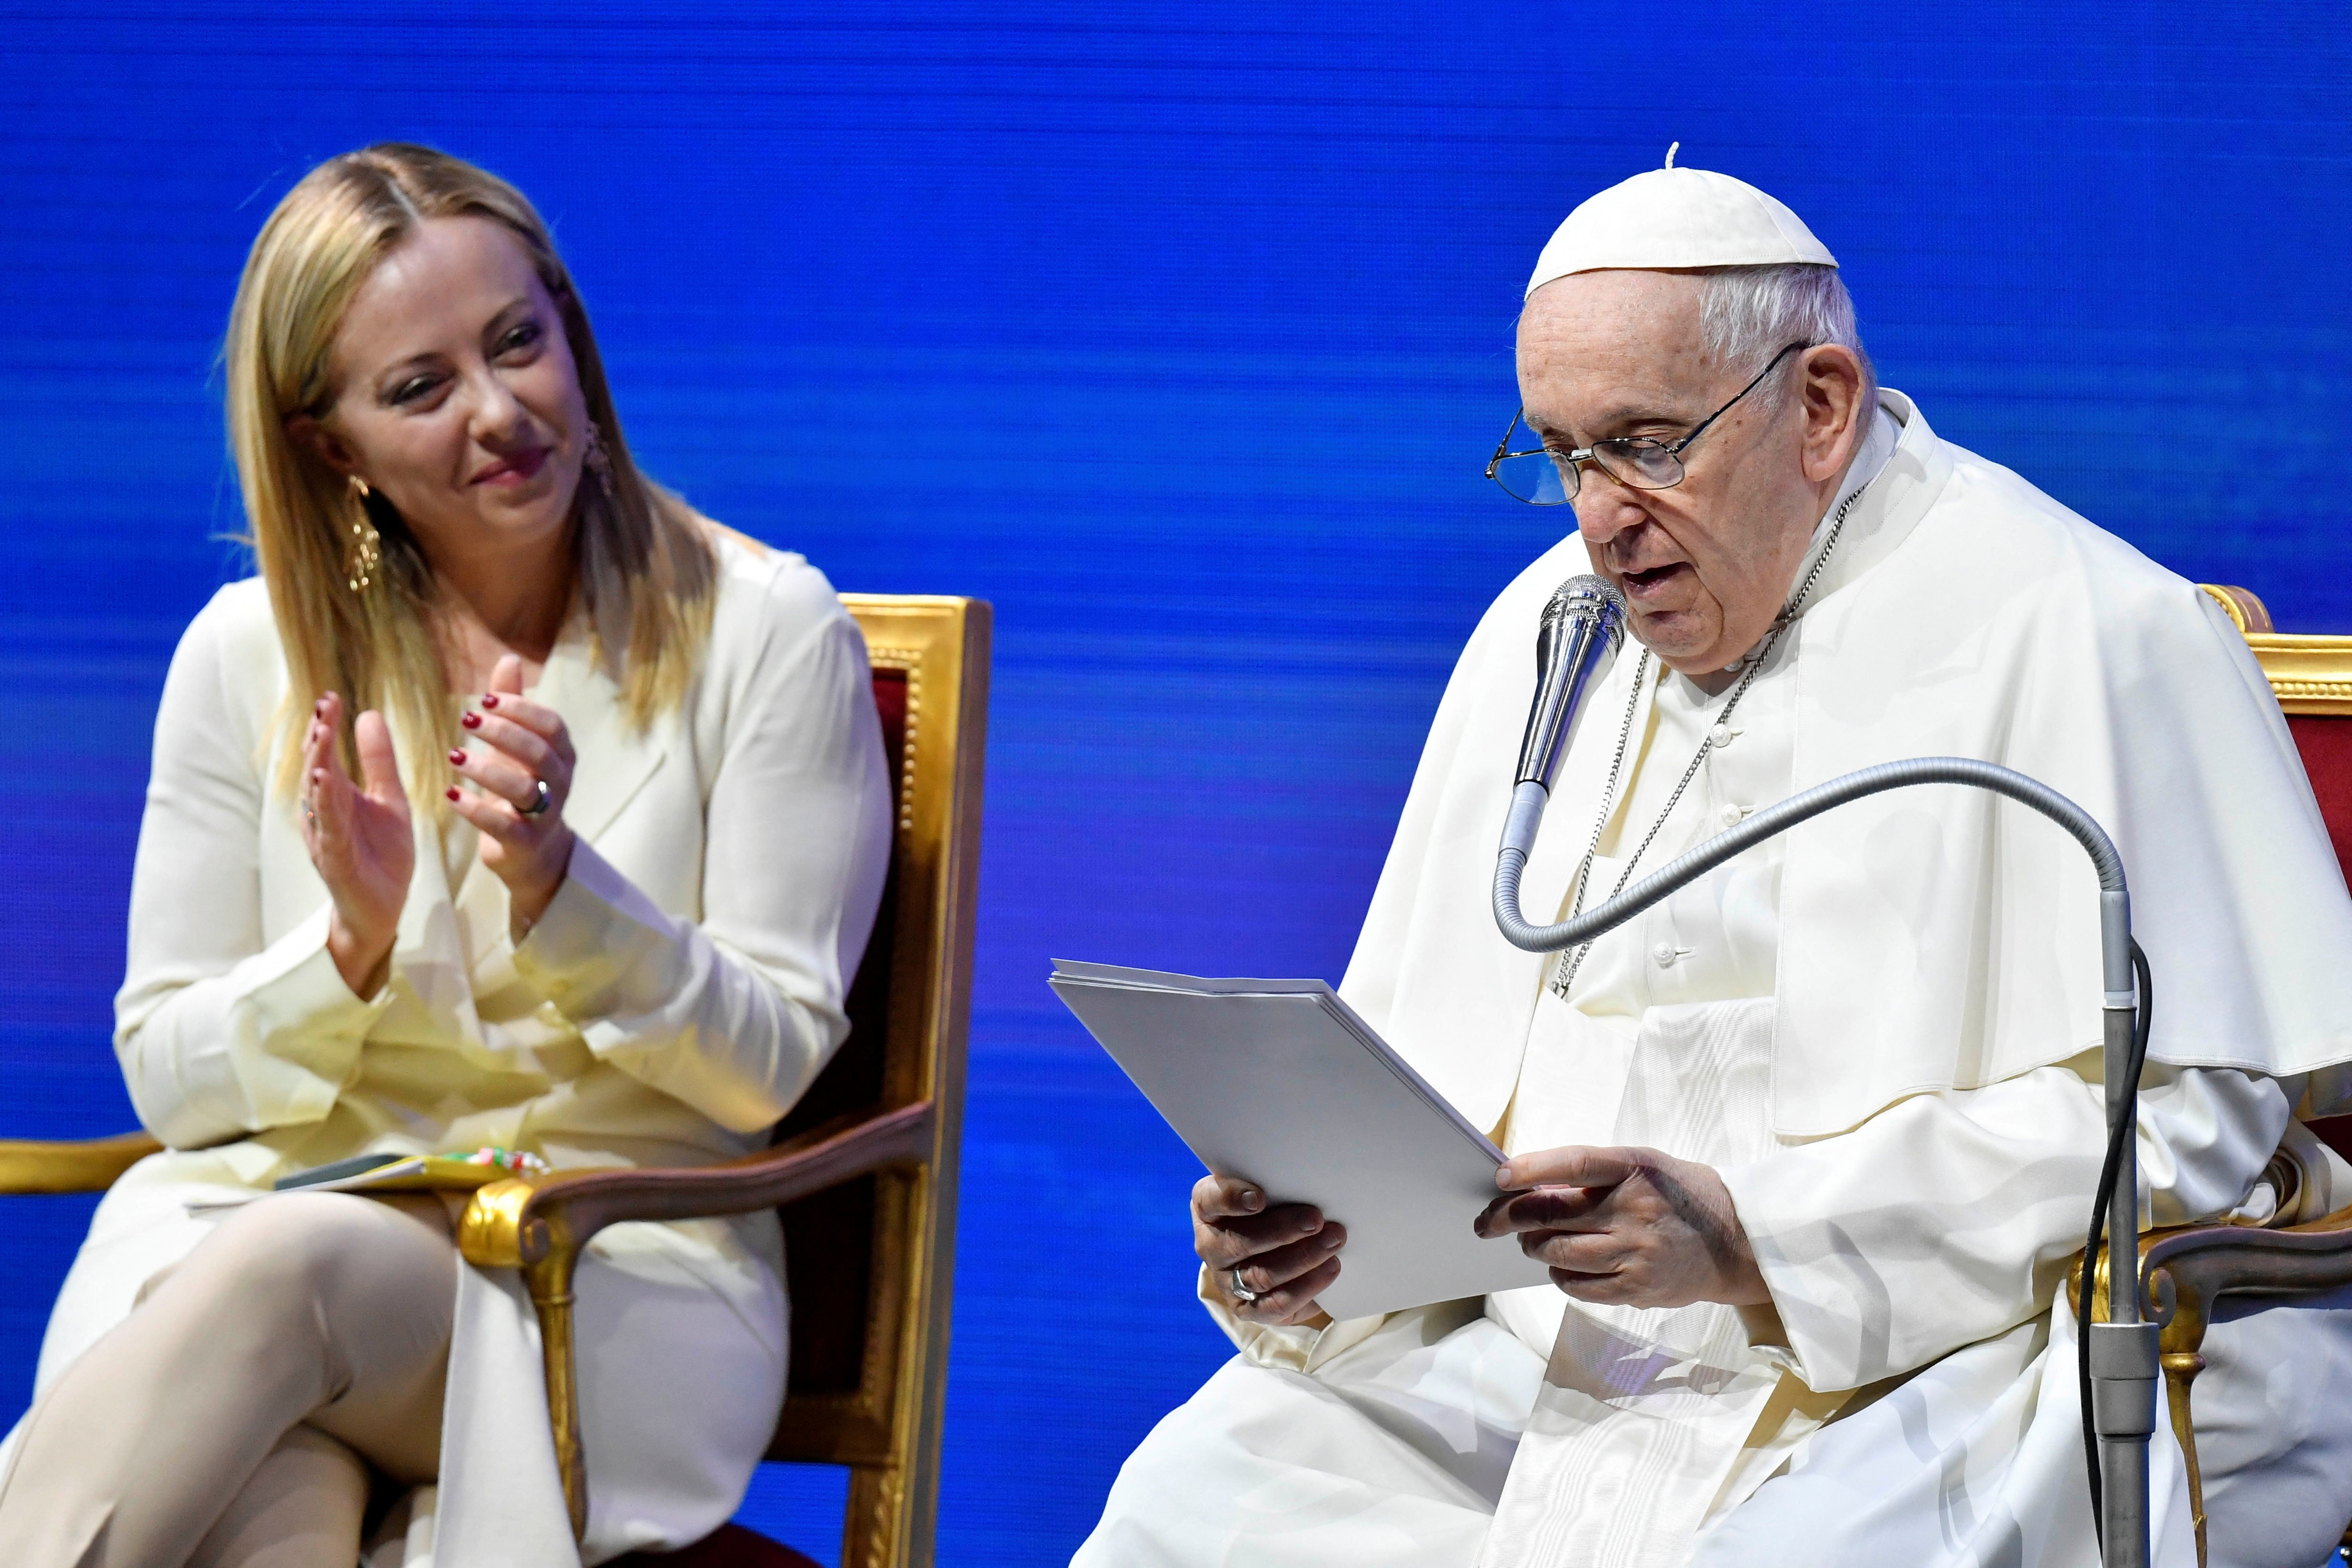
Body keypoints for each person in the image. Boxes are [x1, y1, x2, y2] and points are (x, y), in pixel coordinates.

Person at [1076, 157, 2352, 1568]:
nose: (1599, 519)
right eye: (1561, 454)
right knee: (1188, 1507)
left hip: (1927, 1358)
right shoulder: (1547, 629)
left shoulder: (2086, 625)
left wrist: (1760, 1239)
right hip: (1542, 1349)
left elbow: (2190, 1125)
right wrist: (1325, 1230)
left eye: (1647, 443)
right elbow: (1434, 1071)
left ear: (1821, 405)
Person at [0, 143, 893, 1567]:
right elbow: (166, 1077)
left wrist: (562, 889)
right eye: (421, 389)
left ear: (570, 332)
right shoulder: (244, 655)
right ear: (332, 446)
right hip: (277, 1236)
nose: (501, 412)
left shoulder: (768, 632)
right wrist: (343, 949)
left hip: (604, 1273)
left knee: (267, 1288)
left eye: (518, 344)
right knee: (258, 1476)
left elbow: (768, 1063)